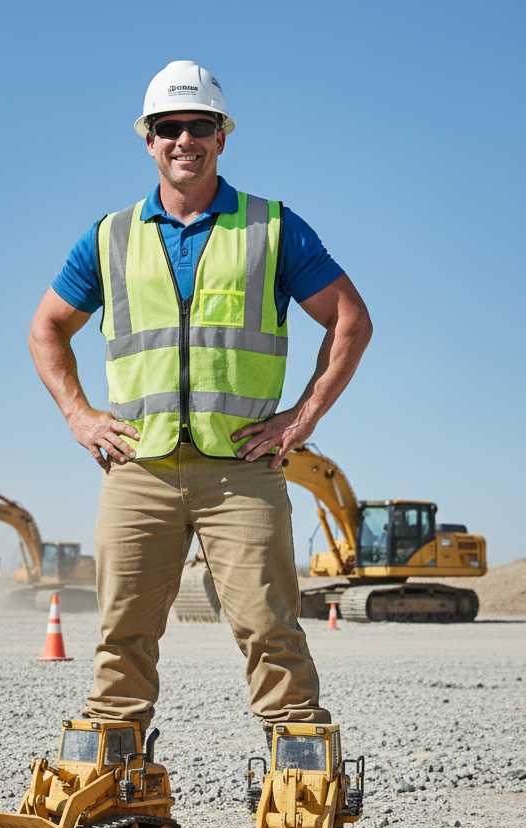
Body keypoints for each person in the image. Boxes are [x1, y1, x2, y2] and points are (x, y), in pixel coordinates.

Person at [28, 60, 372, 739]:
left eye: (199, 125)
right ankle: (114, 767)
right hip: (140, 468)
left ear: (222, 136)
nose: (184, 139)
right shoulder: (111, 236)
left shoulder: (272, 227)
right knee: (122, 632)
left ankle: (299, 775)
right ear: (149, 140)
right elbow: (46, 328)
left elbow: (350, 320)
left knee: (270, 628)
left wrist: (302, 419)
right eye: (168, 127)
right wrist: (78, 413)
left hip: (242, 469)